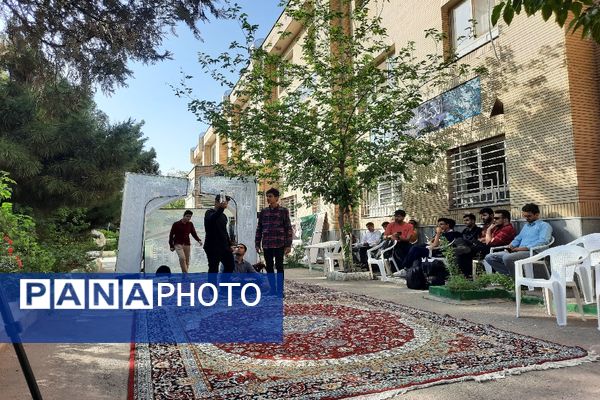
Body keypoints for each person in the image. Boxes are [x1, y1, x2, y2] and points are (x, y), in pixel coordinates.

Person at [483, 203, 552, 276]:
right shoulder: (526, 226)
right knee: (489, 257)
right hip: (519, 251)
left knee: (507, 257)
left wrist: (523, 248)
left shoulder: (544, 226)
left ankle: (516, 277)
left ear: (537, 214)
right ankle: (511, 275)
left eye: (529, 216)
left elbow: (543, 241)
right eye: (525, 216)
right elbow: (518, 238)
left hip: (534, 252)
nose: (526, 218)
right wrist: (511, 245)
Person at [255, 188, 293, 295]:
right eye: (267, 196)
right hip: (267, 244)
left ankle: (280, 291)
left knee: (279, 267)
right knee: (269, 267)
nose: (268, 198)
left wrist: (288, 245)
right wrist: (257, 243)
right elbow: (259, 228)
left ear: (276, 198)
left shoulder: (283, 211)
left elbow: (288, 228)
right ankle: (272, 289)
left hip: (279, 243)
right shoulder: (264, 212)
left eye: (270, 196)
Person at [204, 195, 235, 279]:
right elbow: (212, 219)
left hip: (224, 246)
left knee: (230, 266)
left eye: (226, 203)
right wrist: (221, 208)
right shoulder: (209, 213)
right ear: (216, 202)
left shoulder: (223, 216)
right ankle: (212, 287)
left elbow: (224, 231)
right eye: (223, 203)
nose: (225, 205)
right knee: (213, 269)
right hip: (212, 247)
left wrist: (229, 244)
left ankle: (224, 284)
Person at [168, 210, 202, 274]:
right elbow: (171, 235)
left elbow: (193, 233)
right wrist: (171, 246)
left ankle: (184, 275)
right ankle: (186, 274)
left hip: (187, 244)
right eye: (187, 216)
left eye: (190, 217)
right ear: (183, 216)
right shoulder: (176, 224)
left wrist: (198, 240)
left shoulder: (190, 224)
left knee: (187, 260)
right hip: (178, 244)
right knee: (182, 258)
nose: (188, 218)